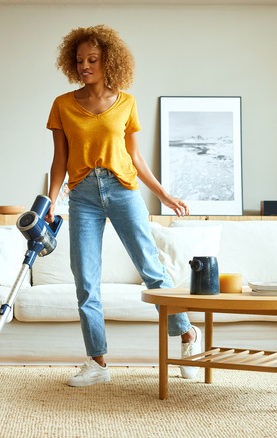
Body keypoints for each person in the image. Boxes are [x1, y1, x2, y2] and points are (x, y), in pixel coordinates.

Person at [45, 25, 202, 387]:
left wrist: (163, 195)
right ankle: (97, 362)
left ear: (108, 61)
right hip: (82, 194)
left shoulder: (127, 102)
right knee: (85, 279)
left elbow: (135, 157)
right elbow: (59, 160)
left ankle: (187, 335)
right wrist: (50, 203)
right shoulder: (62, 105)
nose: (85, 66)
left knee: (151, 268)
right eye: (80, 60)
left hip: (123, 189)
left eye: (92, 60)